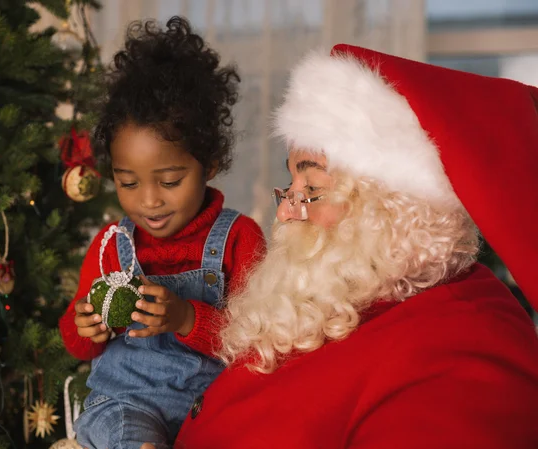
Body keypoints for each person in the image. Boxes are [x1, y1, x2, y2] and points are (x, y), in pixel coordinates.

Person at [168, 44, 538, 448]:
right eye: (290, 185)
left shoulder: (464, 357)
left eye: (311, 188)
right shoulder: (345, 300)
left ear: (394, 208)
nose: (286, 213)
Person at [58, 16, 266, 449]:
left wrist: (188, 318)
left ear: (207, 165)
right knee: (124, 433)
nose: (148, 200)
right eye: (128, 183)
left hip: (212, 407)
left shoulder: (239, 239)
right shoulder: (111, 245)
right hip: (125, 404)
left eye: (169, 181)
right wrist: (86, 327)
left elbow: (258, 344)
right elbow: (78, 346)